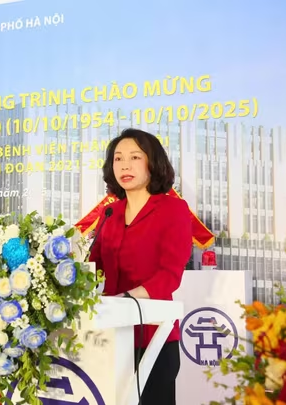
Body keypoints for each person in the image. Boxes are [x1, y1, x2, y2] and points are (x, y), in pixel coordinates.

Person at [89, 128, 193, 404]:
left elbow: (169, 276)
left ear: (153, 163)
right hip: (110, 337)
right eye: (118, 158)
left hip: (153, 338)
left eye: (135, 157)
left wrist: (124, 300)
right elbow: (93, 268)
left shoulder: (174, 210)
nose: (125, 165)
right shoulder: (109, 213)